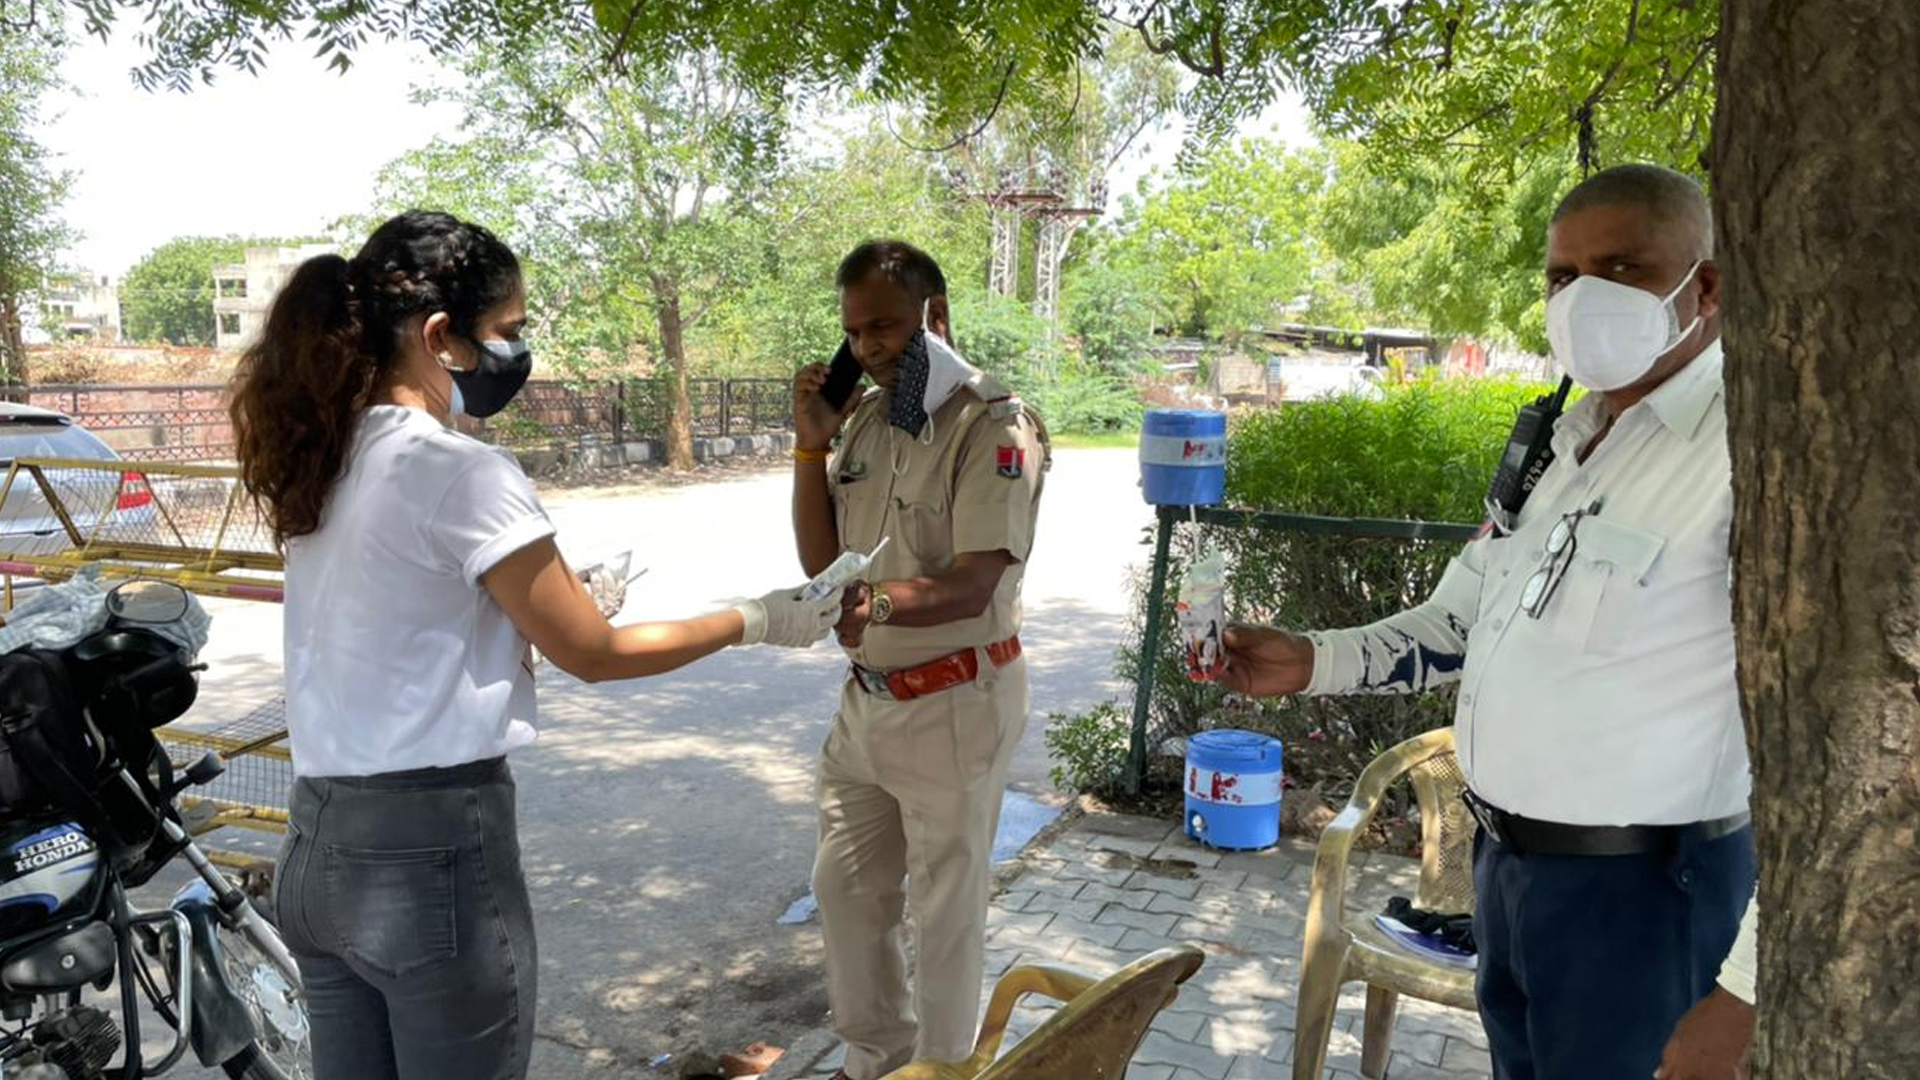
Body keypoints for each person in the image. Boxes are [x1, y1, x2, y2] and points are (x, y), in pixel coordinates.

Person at [227, 210, 842, 1080]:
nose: (515, 355)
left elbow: (403, 620)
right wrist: (762, 618)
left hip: (317, 846)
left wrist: (525, 613)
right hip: (431, 855)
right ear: (441, 337)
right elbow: (594, 652)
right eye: (507, 333)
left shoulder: (326, 454)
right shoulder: (459, 469)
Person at [1220, 166, 1758, 1080]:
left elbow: (1842, 757)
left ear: (1703, 286)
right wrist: (1309, 661)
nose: (1583, 297)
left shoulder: (1749, 452)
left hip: (1648, 899)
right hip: (1506, 876)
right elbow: (1461, 619)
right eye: (1561, 277)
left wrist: (1747, 993)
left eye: (1621, 268)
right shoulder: (1563, 439)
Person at [790, 240, 1049, 1080]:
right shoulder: (862, 421)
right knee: (848, 895)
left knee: (944, 914)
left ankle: (941, 1072)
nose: (868, 349)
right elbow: (819, 562)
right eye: (855, 334)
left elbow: (976, 583)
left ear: (935, 317)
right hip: (866, 703)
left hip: (955, 701)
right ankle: (875, 1063)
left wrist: (882, 604)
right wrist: (808, 448)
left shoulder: (994, 423)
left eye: (887, 328)